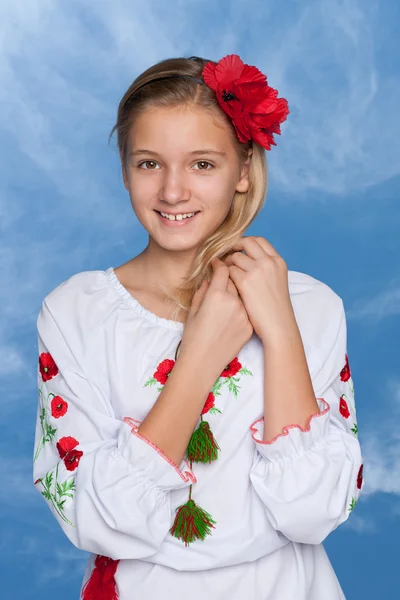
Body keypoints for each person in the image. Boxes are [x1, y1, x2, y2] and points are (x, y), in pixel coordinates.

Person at [32, 53, 364, 600]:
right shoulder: (75, 313)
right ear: (124, 170)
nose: (172, 192)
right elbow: (99, 520)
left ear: (243, 170)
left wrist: (279, 329)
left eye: (203, 164)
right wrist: (201, 355)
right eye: (148, 163)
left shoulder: (313, 306)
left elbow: (313, 513)